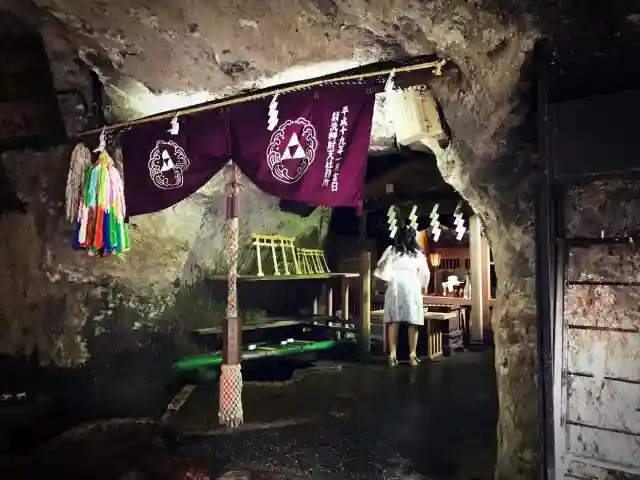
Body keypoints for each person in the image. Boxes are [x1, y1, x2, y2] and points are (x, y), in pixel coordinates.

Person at [374, 226, 431, 367]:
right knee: (413, 321)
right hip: (412, 286)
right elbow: (425, 273)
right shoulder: (417, 254)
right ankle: (412, 355)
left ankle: (392, 355)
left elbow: (381, 266)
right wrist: (422, 285)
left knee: (394, 320)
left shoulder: (391, 250)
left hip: (395, 286)